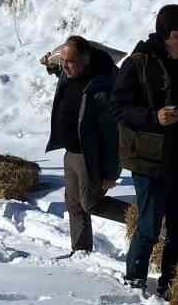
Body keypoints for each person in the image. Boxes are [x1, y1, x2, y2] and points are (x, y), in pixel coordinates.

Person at [110, 4, 178, 298]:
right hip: (150, 160)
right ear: (174, 35)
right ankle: (134, 282)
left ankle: (171, 284)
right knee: (149, 225)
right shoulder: (138, 63)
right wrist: (154, 117)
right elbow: (117, 107)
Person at [44, 36, 123, 254]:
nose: (65, 66)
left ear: (86, 59)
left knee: (91, 203)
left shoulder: (102, 86)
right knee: (74, 204)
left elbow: (112, 135)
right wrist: (51, 66)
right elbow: (61, 69)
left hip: (90, 155)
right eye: (63, 61)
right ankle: (80, 251)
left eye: (69, 62)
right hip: (71, 151)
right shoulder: (70, 73)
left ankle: (142, 218)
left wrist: (111, 172)